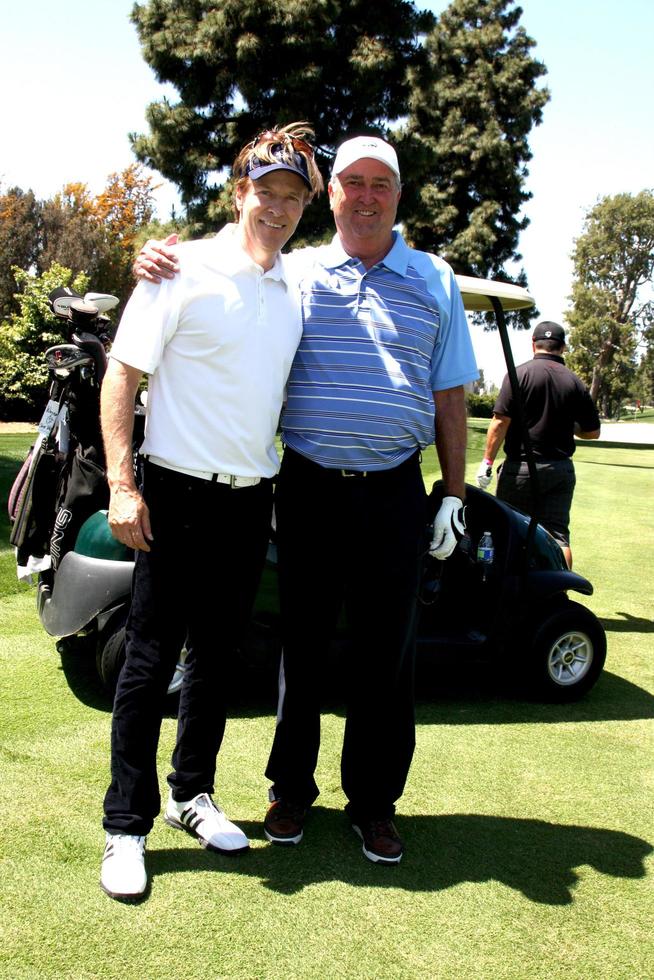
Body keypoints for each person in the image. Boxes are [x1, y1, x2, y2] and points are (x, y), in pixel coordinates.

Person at [135, 134, 478, 865]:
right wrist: (155, 258)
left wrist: (452, 493)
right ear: (333, 196)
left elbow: (450, 396)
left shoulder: (435, 278)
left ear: (397, 194)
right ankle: (290, 791)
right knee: (304, 645)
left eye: (379, 182)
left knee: (388, 654)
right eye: (351, 181)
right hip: (309, 482)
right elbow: (227, 266)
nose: (364, 194)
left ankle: (374, 804)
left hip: (393, 488)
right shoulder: (300, 271)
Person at [99, 124, 323, 901]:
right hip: (176, 491)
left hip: (248, 498)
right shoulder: (178, 266)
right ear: (240, 193)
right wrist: (123, 486)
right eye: (267, 193)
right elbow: (121, 376)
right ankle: (126, 824)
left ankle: (191, 794)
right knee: (150, 656)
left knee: (217, 658)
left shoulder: (297, 284)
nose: (279, 208)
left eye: (294, 198)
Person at [476, 320, 600, 568]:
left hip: (520, 470)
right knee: (558, 537)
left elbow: (500, 422)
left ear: (533, 344)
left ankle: (507, 594)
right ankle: (559, 595)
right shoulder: (574, 381)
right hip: (559, 470)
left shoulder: (517, 374)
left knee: (509, 530)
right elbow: (592, 432)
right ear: (563, 347)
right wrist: (570, 426)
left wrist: (487, 462)